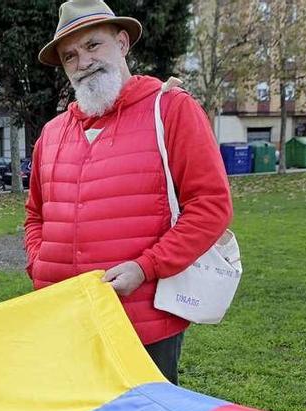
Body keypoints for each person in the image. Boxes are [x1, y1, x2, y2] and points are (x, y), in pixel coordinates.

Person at [24, 0, 233, 384]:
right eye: (70, 55)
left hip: (142, 322)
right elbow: (35, 214)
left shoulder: (170, 110)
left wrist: (146, 266)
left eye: (92, 46)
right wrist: (39, 262)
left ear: (122, 43)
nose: (82, 62)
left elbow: (211, 207)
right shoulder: (51, 134)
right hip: (64, 319)